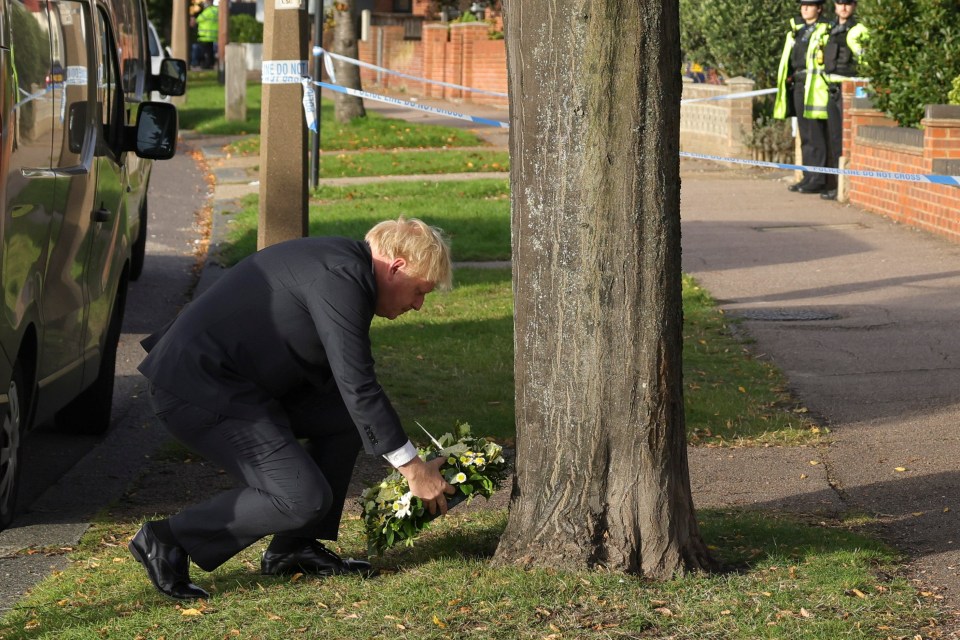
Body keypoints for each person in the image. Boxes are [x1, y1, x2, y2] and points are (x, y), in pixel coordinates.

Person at [128, 217, 457, 600]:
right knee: (302, 497)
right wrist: (414, 470)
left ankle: (294, 548)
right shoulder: (341, 275)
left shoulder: (342, 263)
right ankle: (166, 539)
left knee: (343, 419)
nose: (418, 305)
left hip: (236, 383)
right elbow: (357, 383)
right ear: (397, 266)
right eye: (420, 291)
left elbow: (350, 392)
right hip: (195, 390)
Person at [774, 0, 831, 194]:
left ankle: (818, 177)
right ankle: (807, 175)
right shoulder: (796, 31)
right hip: (798, 84)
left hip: (814, 86)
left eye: (810, 5)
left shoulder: (825, 29)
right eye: (803, 5)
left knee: (816, 134)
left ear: (819, 8)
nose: (805, 8)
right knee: (805, 135)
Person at [820, 0, 868, 200]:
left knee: (844, 139)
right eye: (840, 3)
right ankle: (834, 184)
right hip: (831, 88)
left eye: (848, 3)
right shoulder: (830, 28)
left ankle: (843, 186)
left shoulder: (859, 29)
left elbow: (865, 59)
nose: (844, 7)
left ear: (854, 6)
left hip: (849, 88)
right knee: (833, 139)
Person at [194, 0, 218, 70]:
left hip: (205, 36)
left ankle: (207, 65)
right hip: (213, 35)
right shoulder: (216, 10)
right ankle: (211, 64)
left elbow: (198, 19)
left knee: (206, 52)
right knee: (210, 52)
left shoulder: (207, 11)